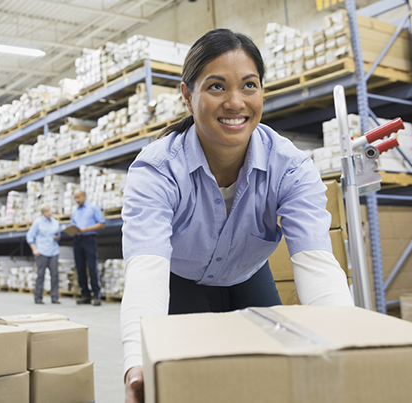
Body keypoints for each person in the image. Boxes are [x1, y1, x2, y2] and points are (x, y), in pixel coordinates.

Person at [120, 29, 354, 403]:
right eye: (216, 87)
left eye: (249, 85)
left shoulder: (290, 167)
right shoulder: (158, 169)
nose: (235, 102)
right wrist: (137, 362)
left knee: (273, 376)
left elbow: (316, 263)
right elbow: (146, 269)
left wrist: (348, 349)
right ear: (187, 96)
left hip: (247, 273)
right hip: (180, 278)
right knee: (192, 384)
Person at [71, 189, 106, 306]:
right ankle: (85, 294)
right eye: (75, 198)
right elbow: (73, 225)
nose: (77, 200)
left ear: (84, 196)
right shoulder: (75, 212)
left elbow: (102, 223)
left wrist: (86, 229)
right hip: (77, 240)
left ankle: (96, 295)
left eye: (78, 197)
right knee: (80, 267)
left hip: (89, 239)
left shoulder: (93, 208)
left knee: (92, 266)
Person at [26, 204, 61, 305]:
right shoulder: (38, 222)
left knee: (54, 275)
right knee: (40, 275)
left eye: (50, 210)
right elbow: (30, 236)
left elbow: (58, 234)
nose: (49, 213)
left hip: (54, 251)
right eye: (47, 211)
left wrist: (57, 237)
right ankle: (38, 298)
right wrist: (34, 249)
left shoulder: (55, 222)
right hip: (41, 252)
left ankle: (54, 297)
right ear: (43, 213)